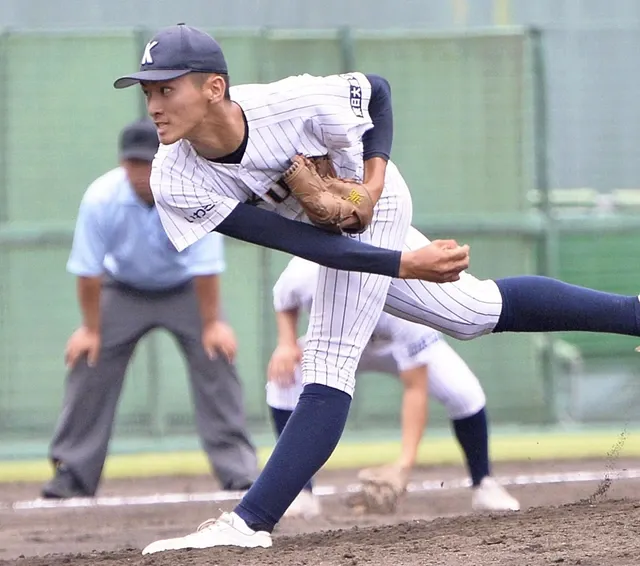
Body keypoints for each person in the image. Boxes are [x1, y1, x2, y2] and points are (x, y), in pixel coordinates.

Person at [112, 25, 640, 554]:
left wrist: (374, 182)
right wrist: (404, 264)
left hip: (379, 207)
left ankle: (250, 522)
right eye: (148, 92)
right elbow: (305, 242)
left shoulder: (291, 101)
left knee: (328, 359)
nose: (154, 105)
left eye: (167, 88)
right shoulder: (173, 178)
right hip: (329, 239)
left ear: (213, 88)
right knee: (474, 312)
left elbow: (378, 90)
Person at [42, 118, 258, 499]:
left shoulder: (190, 191)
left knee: (216, 356)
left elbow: (206, 268)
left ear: (164, 161)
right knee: (88, 359)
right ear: (123, 164)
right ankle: (72, 473)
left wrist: (212, 325)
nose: (141, 173)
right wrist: (90, 330)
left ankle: (238, 470)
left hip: (185, 291)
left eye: (149, 162)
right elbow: (88, 272)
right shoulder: (101, 198)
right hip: (122, 288)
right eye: (134, 164)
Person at [267, 254, 520, 519]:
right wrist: (286, 344)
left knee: (465, 394)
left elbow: (415, 389)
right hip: (337, 343)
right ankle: (300, 491)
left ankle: (484, 484)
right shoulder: (305, 269)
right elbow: (284, 301)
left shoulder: (400, 293)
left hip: (397, 345)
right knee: (283, 377)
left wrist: (404, 463)